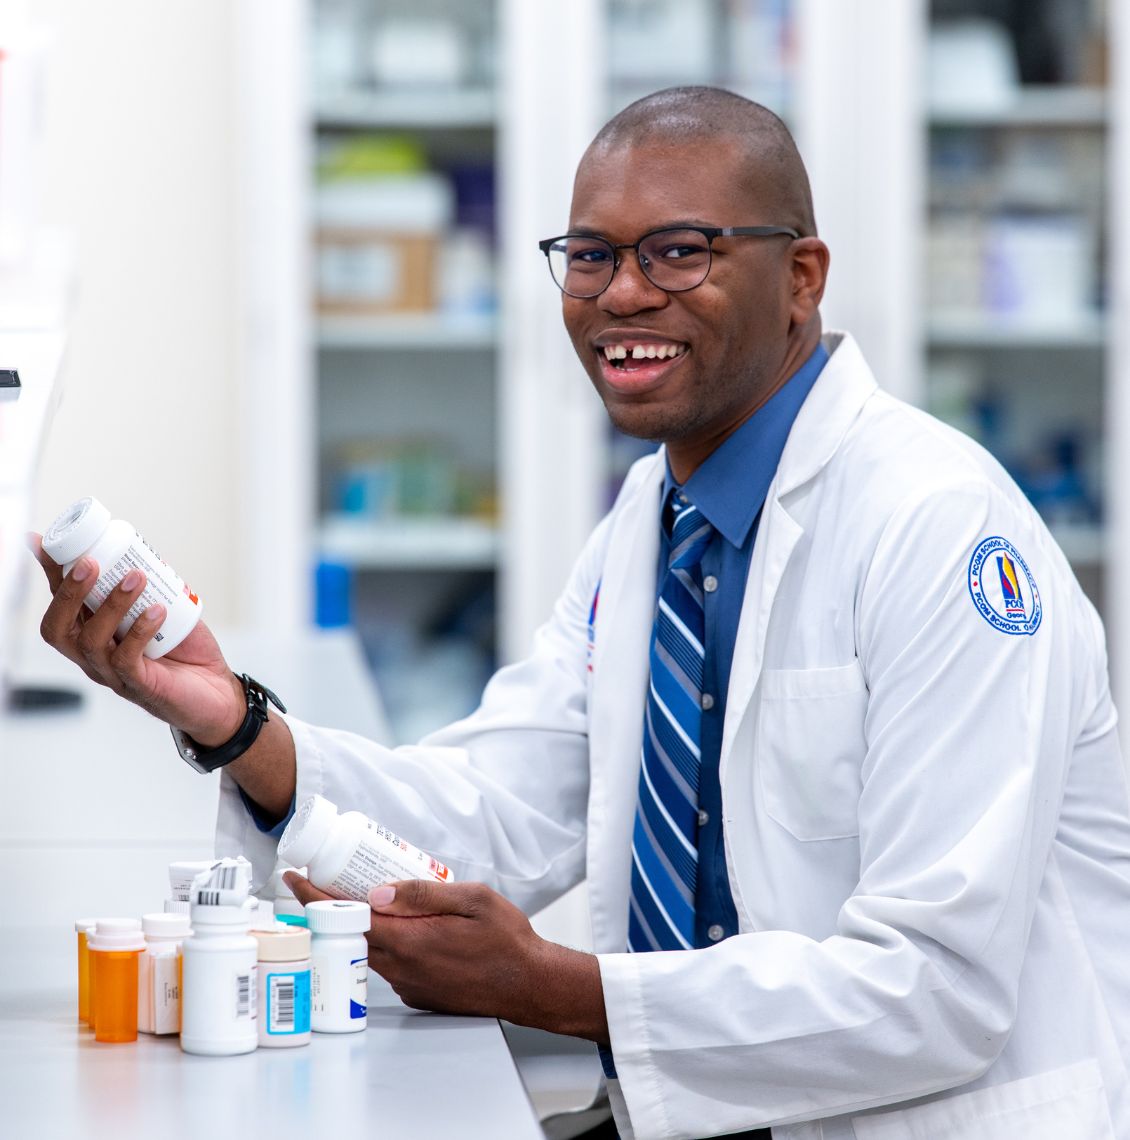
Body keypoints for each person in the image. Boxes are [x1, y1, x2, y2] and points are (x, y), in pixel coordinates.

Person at [33, 87, 1130, 1140]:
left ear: (801, 276)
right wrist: (234, 722)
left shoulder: (938, 529)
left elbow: (934, 989)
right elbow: (504, 812)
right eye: (591, 255)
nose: (619, 295)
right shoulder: (653, 518)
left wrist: (564, 990)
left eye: (678, 251)